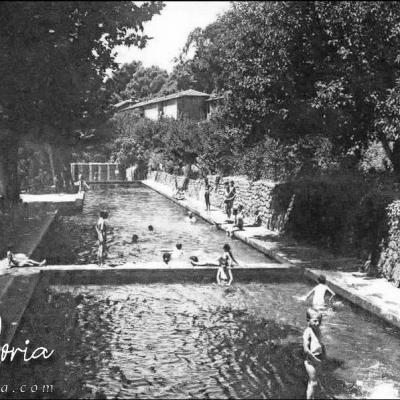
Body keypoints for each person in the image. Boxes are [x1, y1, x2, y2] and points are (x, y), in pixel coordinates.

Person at [303, 308, 325, 399]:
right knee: (313, 382)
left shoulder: (318, 330)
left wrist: (324, 354)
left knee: (315, 381)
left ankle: (313, 397)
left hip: (318, 358)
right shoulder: (308, 332)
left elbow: (321, 344)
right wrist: (316, 360)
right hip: (310, 361)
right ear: (308, 320)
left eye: (319, 321)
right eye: (315, 321)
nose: (318, 323)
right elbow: (306, 350)